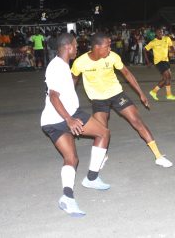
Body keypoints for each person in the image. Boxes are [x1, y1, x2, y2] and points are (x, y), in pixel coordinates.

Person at [71, 33, 173, 168]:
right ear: (96, 47)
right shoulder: (80, 62)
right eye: (107, 46)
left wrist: (141, 93)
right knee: (101, 131)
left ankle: (158, 156)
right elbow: (72, 81)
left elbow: (127, 73)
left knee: (137, 121)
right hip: (98, 100)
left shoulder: (112, 57)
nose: (109, 49)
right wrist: (69, 103)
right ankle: (102, 156)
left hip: (117, 94)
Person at [41, 33, 111, 217]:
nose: (77, 48)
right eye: (75, 45)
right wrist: (69, 119)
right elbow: (54, 96)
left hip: (50, 121)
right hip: (67, 115)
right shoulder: (57, 67)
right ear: (68, 47)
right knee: (103, 133)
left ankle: (67, 197)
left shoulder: (61, 65)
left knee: (72, 159)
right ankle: (92, 178)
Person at [143, 28, 175, 101]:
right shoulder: (153, 42)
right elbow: (145, 50)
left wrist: (174, 53)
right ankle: (168, 95)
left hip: (166, 60)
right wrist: (148, 62)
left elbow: (171, 46)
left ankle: (153, 92)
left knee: (167, 78)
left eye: (161, 32)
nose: (160, 33)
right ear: (156, 33)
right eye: (159, 32)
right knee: (167, 77)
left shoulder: (167, 38)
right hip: (158, 62)